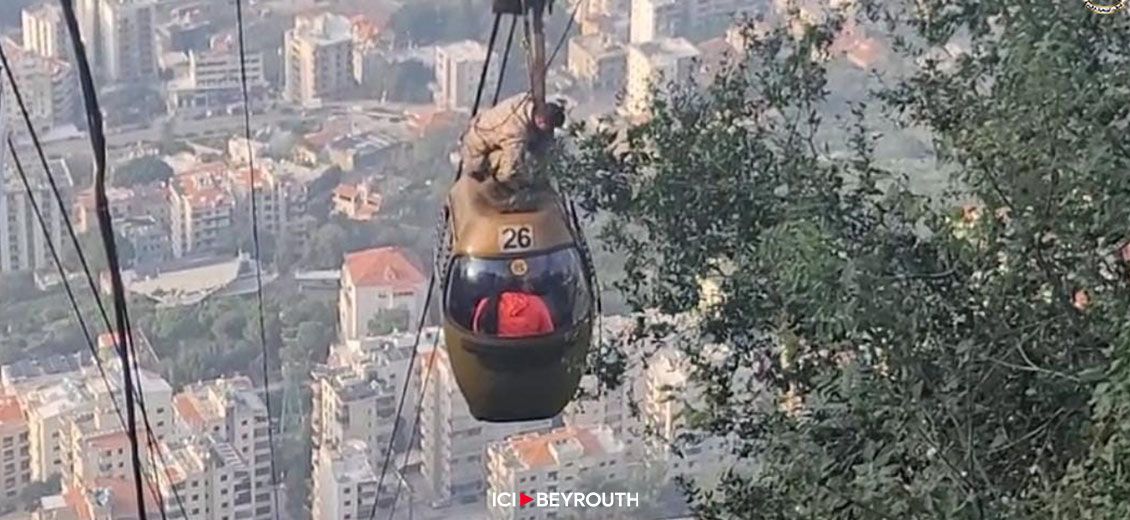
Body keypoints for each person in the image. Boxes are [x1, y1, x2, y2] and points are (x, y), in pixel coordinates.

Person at [459, 93, 566, 186]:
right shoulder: (517, 132)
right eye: (550, 127)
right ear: (542, 121)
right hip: (476, 153)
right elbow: (508, 171)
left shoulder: (526, 100)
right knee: (514, 172)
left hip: (479, 128)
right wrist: (523, 183)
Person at [472, 287, 555, 338]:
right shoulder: (537, 303)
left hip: (490, 363)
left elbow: (477, 334)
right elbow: (549, 337)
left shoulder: (485, 303)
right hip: (533, 362)